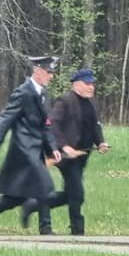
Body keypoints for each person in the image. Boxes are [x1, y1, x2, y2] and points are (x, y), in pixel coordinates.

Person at [0, 56, 63, 234]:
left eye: (52, 72)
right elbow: (5, 119)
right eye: (48, 72)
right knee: (45, 186)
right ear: (37, 71)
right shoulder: (23, 92)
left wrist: (52, 147)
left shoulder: (43, 94)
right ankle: (46, 228)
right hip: (23, 150)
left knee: (15, 197)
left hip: (36, 150)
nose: (51, 76)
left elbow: (46, 123)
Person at [45, 68, 110, 235]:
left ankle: (36, 204)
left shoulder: (89, 104)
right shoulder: (65, 101)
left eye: (92, 84)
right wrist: (65, 146)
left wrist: (101, 142)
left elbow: (94, 125)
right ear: (76, 85)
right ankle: (77, 231)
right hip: (67, 156)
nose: (91, 87)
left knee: (70, 193)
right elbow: (53, 124)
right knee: (77, 193)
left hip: (83, 155)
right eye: (87, 84)